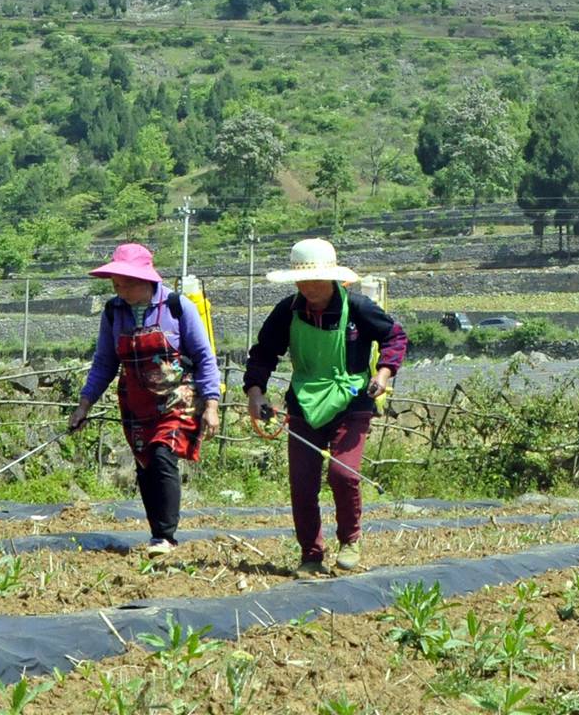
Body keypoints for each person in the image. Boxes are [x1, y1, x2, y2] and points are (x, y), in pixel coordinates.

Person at [244, 239, 407, 576]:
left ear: (332, 278)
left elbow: (395, 337)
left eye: (316, 280)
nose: (309, 287)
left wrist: (384, 372)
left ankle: (350, 540)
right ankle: (311, 554)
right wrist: (255, 393)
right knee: (303, 483)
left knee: (343, 474)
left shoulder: (358, 309)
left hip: (351, 399)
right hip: (304, 400)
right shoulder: (286, 311)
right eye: (302, 281)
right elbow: (263, 353)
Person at [70, 243, 221, 555]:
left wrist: (211, 405)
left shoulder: (178, 307)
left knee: (163, 453)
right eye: (116, 285)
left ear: (145, 281)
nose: (120, 290)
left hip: (177, 397)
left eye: (125, 284)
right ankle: (157, 534)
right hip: (136, 401)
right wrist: (85, 404)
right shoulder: (114, 313)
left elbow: (205, 358)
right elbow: (104, 363)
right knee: (145, 463)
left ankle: (166, 536)